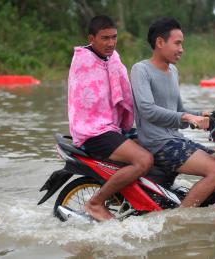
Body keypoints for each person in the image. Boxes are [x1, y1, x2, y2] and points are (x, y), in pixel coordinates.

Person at [130, 18, 215, 207]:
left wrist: (204, 114)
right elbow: (147, 110)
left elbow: (179, 111)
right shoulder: (141, 70)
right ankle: (181, 220)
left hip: (176, 139)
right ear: (160, 42)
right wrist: (186, 117)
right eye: (177, 43)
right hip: (158, 144)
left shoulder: (173, 71)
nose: (181, 49)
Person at [68, 15, 153, 221]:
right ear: (92, 38)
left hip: (111, 127)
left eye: (114, 37)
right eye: (105, 38)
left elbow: (124, 91)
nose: (111, 43)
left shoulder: (112, 58)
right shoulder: (84, 61)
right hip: (92, 131)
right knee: (143, 160)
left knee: (155, 143)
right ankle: (95, 203)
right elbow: (86, 104)